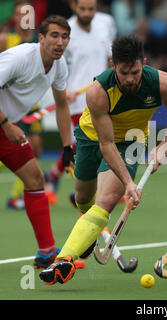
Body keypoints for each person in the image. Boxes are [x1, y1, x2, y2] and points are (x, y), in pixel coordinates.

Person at [39, 34, 167, 285]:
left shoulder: (163, 83)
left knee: (105, 201)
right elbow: (106, 144)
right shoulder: (98, 92)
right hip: (90, 137)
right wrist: (130, 183)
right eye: (124, 73)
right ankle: (89, 235)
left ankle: (62, 260)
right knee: (83, 198)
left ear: (144, 62)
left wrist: (166, 143)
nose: (130, 79)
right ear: (112, 64)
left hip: (130, 141)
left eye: (135, 72)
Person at [0, 15, 75, 268]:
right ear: (41, 38)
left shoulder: (59, 65)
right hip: (4, 125)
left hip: (5, 127)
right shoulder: (20, 57)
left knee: (34, 179)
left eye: (64, 37)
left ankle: (46, 254)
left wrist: (67, 147)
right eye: (54, 36)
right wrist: (6, 125)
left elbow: (63, 105)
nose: (60, 42)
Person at [44, 0, 117, 205]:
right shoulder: (64, 32)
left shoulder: (106, 24)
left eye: (91, 9)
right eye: (82, 9)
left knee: (86, 143)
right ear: (74, 6)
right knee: (89, 142)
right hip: (76, 101)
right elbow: (57, 65)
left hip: (102, 95)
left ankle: (54, 177)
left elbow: (110, 57)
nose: (87, 13)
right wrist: (64, 90)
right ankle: (85, 190)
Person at [0, 0, 43, 210]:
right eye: (20, 14)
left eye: (29, 14)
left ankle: (16, 197)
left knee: (36, 149)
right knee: (15, 148)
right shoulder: (5, 39)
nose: (25, 18)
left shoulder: (40, 41)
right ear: (14, 18)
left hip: (31, 105)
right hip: (6, 107)